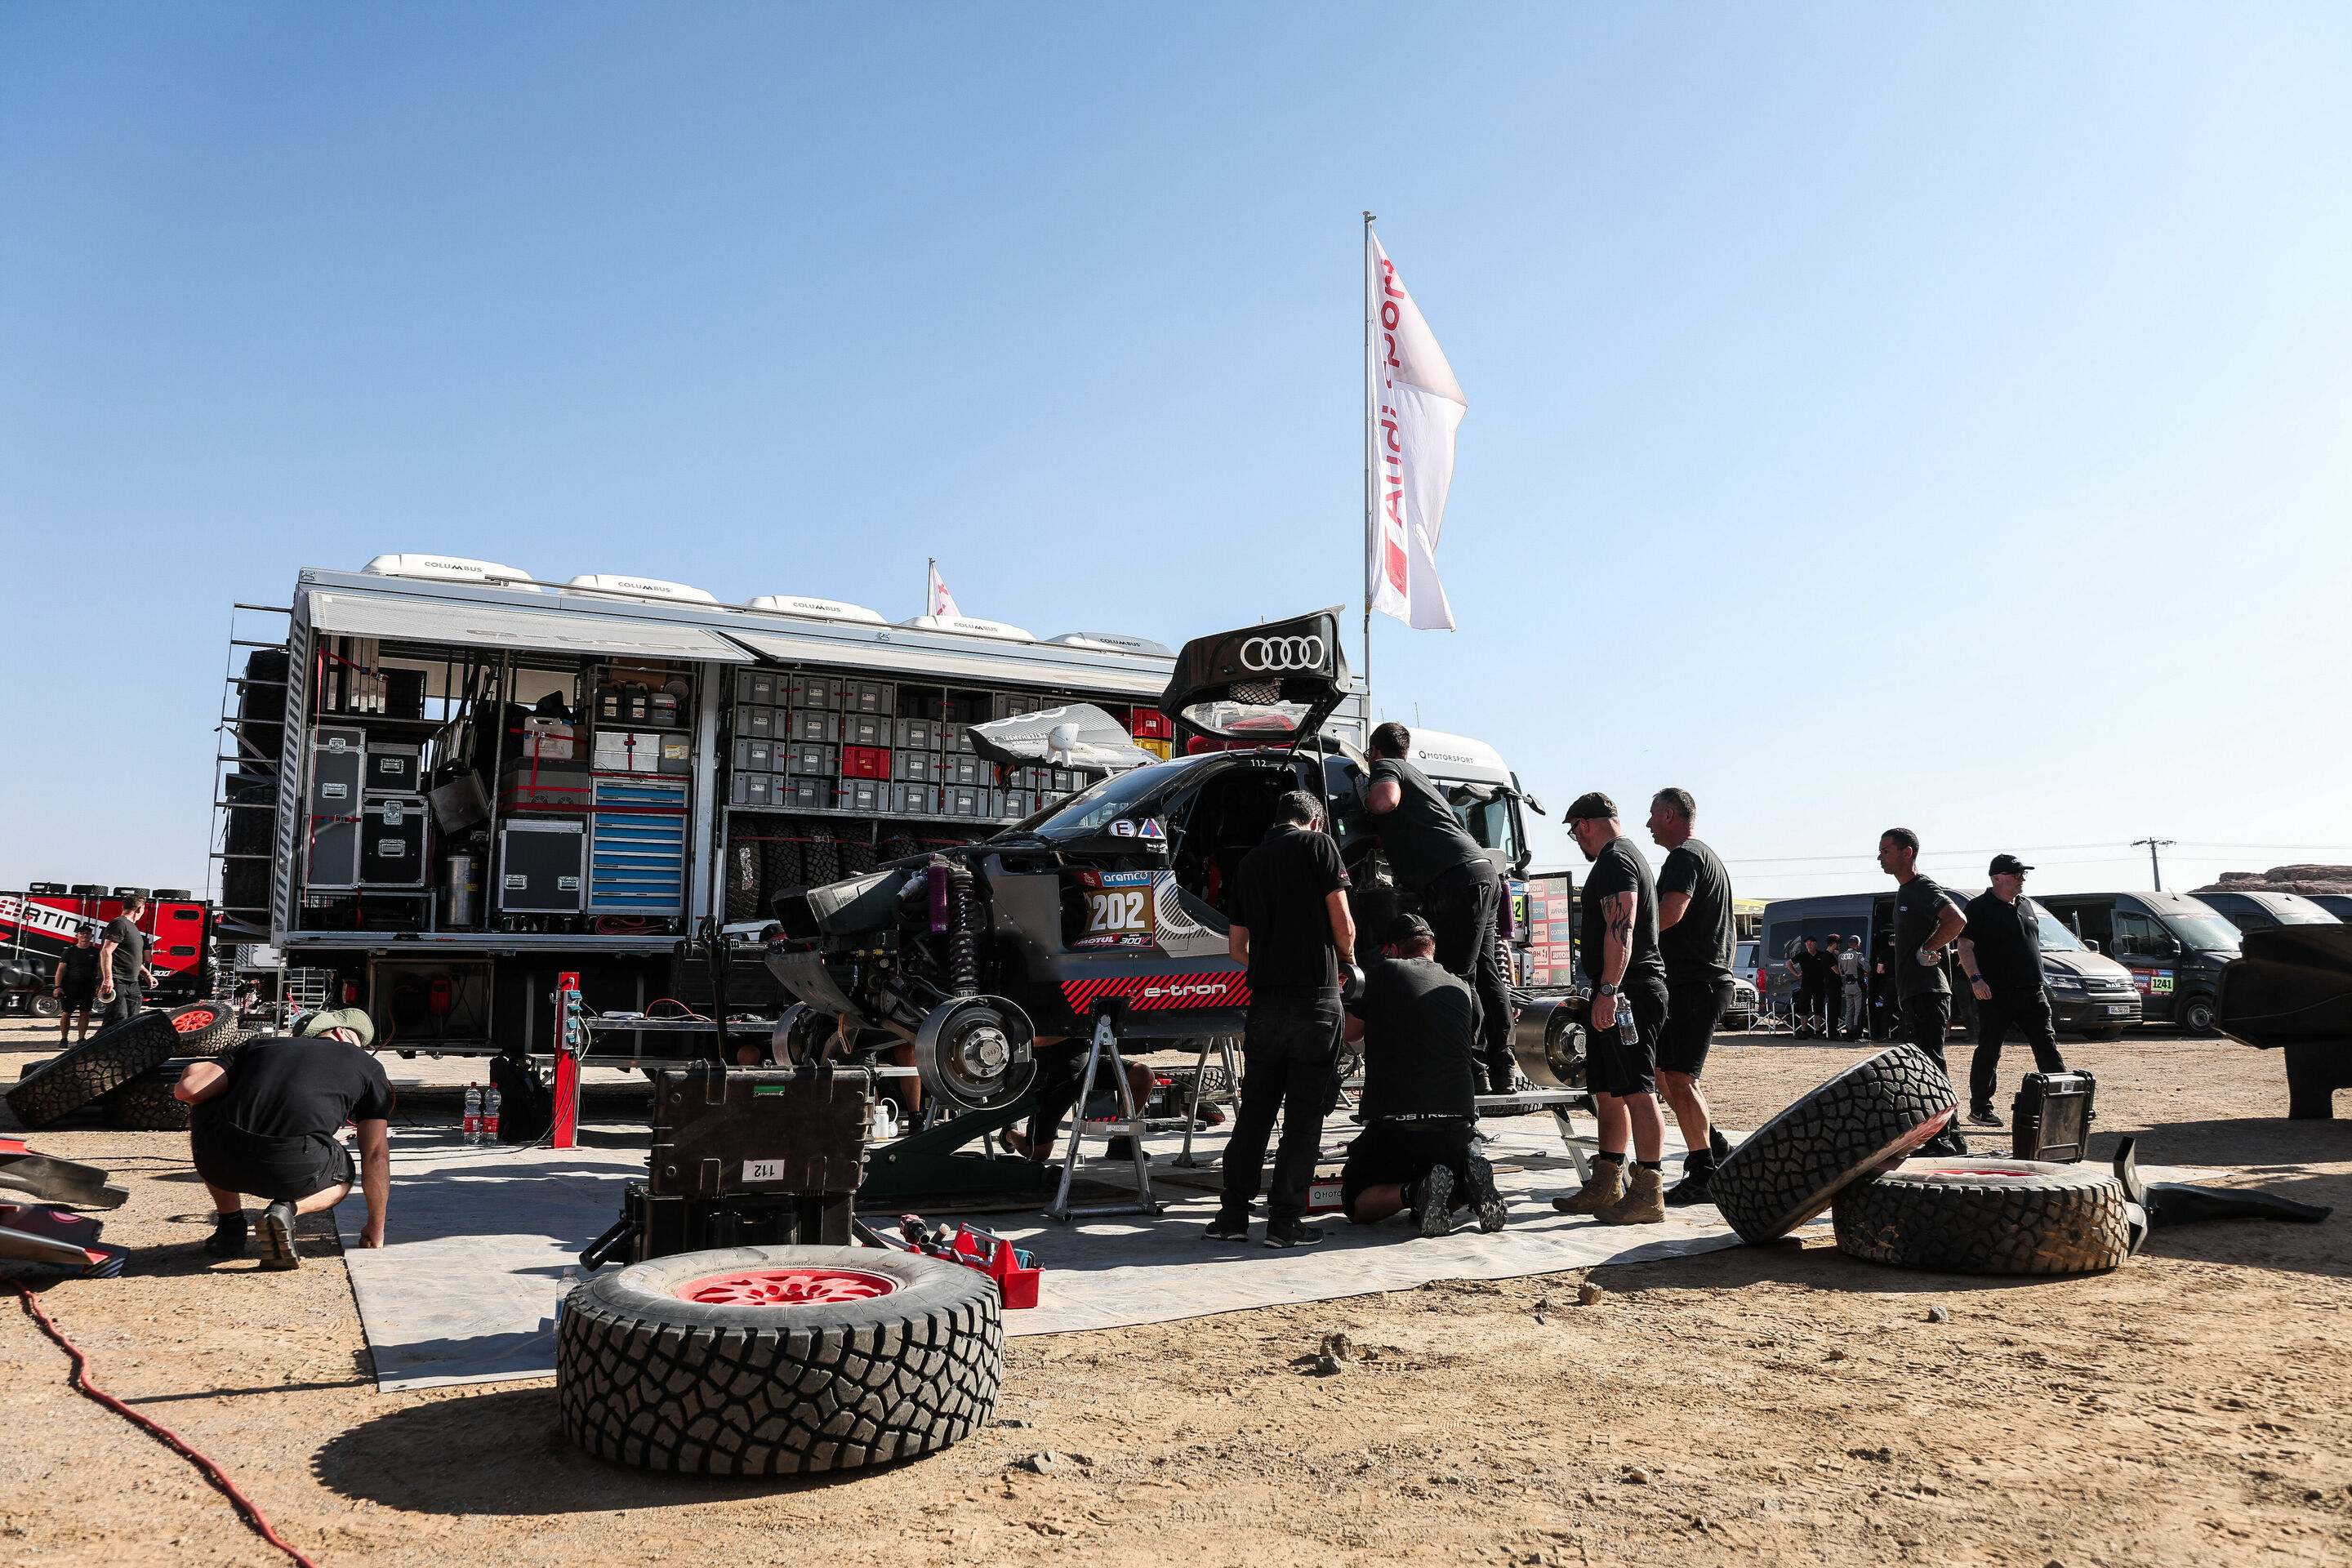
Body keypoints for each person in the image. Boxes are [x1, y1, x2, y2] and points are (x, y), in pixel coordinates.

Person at [1208, 789, 1356, 1248]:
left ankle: (1233, 1216)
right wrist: (1347, 962)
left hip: (1264, 1006)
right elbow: (1343, 924)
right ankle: (1284, 1222)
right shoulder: (1319, 845)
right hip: (1314, 1001)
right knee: (1303, 1117)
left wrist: (1270, 962)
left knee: (1255, 1113)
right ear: (1315, 821)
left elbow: (1237, 948)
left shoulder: (1249, 863)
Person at [175, 1007, 392, 1270]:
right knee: (344, 1173)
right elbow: (375, 1155)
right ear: (343, 1034)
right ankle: (286, 1210)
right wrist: (375, 1228)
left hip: (219, 1164)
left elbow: (189, 1090)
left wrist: (197, 1067)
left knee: (208, 1106)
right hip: (293, 1171)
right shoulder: (369, 1067)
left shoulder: (260, 1046)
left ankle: (230, 1227)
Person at [1361, 723, 1513, 1094]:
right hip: (1482, 872)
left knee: (1458, 977)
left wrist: (1366, 799)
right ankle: (1503, 1069)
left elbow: (1384, 801)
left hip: (1455, 880)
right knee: (1486, 973)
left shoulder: (1387, 767)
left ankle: (1471, 1069)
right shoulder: (1421, 780)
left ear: (1375, 751)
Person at [1338, 915, 1507, 1236]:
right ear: (1431, 947)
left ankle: (1414, 1191)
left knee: (1355, 1203)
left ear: (1393, 949)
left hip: (1397, 1126)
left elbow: (1350, 1033)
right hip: (1458, 1126)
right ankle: (1465, 1188)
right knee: (1438, 1185)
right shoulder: (1461, 985)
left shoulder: (1383, 972)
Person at [1552, 793, 1670, 1225]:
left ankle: (1649, 1191)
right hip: (1620, 989)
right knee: (1607, 1091)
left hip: (1628, 991)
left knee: (1638, 1091)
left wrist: (1608, 989)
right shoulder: (1619, 858)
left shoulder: (1617, 860)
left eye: (1574, 833)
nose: (1577, 841)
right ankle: (1607, 1182)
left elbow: (1623, 928)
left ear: (1584, 824)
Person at [1646, 788, 1736, 1205]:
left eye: (1652, 815)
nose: (1648, 824)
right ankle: (1714, 1147)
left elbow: (1670, 912)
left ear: (1670, 815)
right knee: (1664, 1074)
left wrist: (1627, 937)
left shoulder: (1685, 856)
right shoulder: (1706, 857)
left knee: (1680, 1078)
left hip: (1696, 984)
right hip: (1700, 982)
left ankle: (1703, 1172)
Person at [1958, 854, 2068, 1126]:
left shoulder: (2026, 905)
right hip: (1996, 993)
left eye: (2023, 875)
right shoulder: (1979, 907)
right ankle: (1980, 1108)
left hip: (2032, 990)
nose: (2022, 879)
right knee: (1989, 1049)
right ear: (1998, 878)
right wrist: (1976, 979)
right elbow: (1965, 946)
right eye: (2016, 875)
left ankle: (2064, 1104)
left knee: (2047, 1046)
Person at [1879, 827, 1971, 1156]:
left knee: (1927, 1067)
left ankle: (1942, 1141)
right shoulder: (1906, 891)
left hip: (1927, 990)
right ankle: (1950, 1138)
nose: (1880, 857)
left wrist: (1928, 948)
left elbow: (1956, 919)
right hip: (1917, 992)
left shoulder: (1921, 887)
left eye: (1886, 851)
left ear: (1907, 853)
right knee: (1928, 1065)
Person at [95, 893, 157, 1028]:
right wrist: (108, 979)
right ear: (140, 908)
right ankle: (102, 1042)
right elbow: (106, 951)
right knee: (117, 1020)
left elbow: (131, 958)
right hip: (118, 980)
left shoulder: (133, 928)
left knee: (132, 1021)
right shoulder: (119, 923)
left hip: (132, 982)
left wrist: (147, 975)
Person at [51, 928, 101, 1045]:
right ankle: (64, 1039)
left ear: (91, 936)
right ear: (77, 936)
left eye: (88, 933)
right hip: (70, 986)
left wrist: (99, 984)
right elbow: (61, 969)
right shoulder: (70, 951)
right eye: (82, 933)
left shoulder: (96, 952)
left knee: (85, 1012)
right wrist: (57, 986)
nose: (85, 935)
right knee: (66, 1012)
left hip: (88, 986)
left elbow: (99, 969)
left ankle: (81, 1039)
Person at [1788, 936, 1829, 1039]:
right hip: (1806, 985)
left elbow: (1830, 965)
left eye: (1811, 943)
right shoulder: (1802, 955)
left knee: (1818, 1007)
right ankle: (1804, 1031)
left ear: (1816, 944)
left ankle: (1818, 1031)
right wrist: (1796, 974)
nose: (1809, 945)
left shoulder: (1822, 955)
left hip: (1819, 984)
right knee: (1803, 1007)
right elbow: (1789, 963)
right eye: (1807, 943)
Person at [1838, 935, 1869, 1040]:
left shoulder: (1841, 956)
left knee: (1849, 1010)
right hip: (1858, 985)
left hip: (1847, 985)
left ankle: (1848, 1033)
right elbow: (1868, 969)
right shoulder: (1858, 955)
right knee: (1858, 1011)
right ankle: (1857, 1034)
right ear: (1858, 944)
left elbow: (1841, 971)